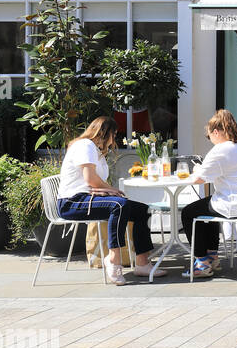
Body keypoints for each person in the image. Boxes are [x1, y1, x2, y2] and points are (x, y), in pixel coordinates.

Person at [56, 116, 164, 285]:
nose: (114, 140)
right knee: (119, 205)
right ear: (105, 133)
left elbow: (93, 184)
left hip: (88, 198)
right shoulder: (85, 146)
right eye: (114, 135)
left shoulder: (95, 150)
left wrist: (108, 192)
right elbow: (90, 179)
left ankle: (142, 263)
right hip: (72, 202)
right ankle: (113, 259)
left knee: (141, 209)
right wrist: (112, 191)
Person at [179, 109, 237, 279]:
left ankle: (202, 263)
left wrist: (197, 168)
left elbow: (198, 179)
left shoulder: (220, 150)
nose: (210, 140)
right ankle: (212, 257)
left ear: (216, 132)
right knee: (208, 207)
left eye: (209, 136)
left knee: (189, 212)